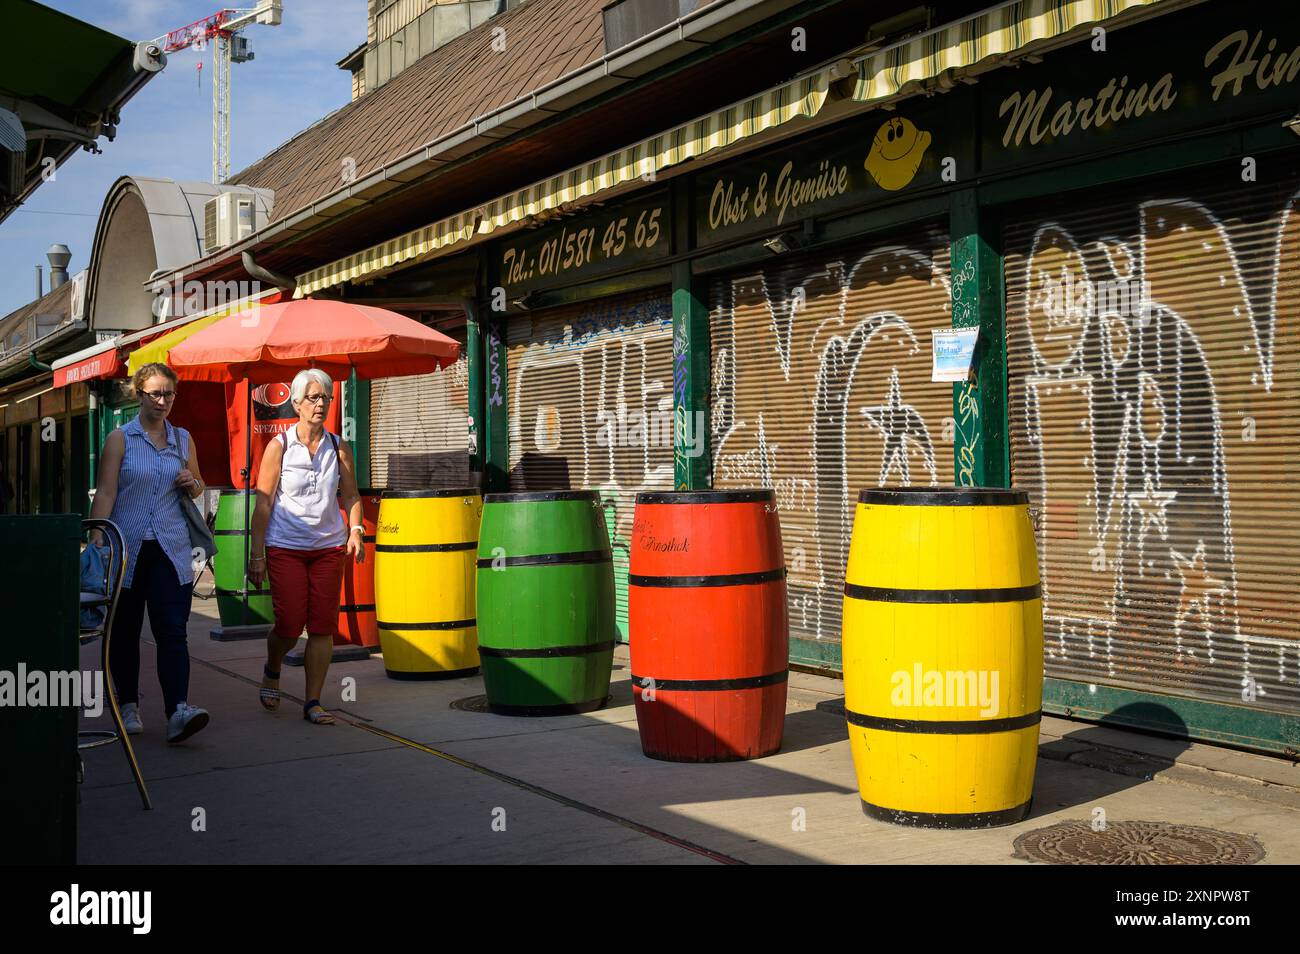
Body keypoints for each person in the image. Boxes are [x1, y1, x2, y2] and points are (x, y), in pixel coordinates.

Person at [89, 362, 210, 743]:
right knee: (124, 631)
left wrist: (192, 482)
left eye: (169, 394)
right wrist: (96, 539)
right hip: (126, 546)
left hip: (172, 549)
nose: (163, 401)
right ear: (138, 393)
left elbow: (199, 487)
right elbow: (107, 492)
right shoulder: (120, 439)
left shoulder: (183, 439)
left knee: (172, 630)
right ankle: (127, 705)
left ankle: (178, 710)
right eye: (155, 393)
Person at [248, 368, 363, 725]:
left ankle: (313, 701)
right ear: (295, 403)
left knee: (322, 626)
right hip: (286, 545)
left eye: (325, 397)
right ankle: (273, 665)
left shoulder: (337, 446)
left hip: (329, 547)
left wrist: (355, 528)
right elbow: (264, 503)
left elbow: (352, 495)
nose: (320, 403)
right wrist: (257, 554)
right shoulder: (278, 446)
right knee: (289, 622)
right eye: (312, 397)